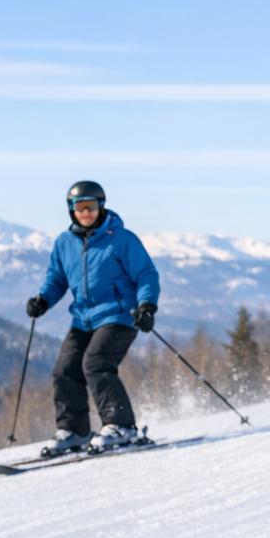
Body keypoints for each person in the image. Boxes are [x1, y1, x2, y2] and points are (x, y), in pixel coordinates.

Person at [25, 180, 161, 455]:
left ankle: (121, 426)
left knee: (96, 363)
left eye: (91, 206)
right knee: (65, 370)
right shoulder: (64, 242)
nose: (86, 213)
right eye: (80, 207)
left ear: (101, 206)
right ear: (71, 210)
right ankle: (74, 431)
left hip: (120, 315)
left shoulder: (121, 239)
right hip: (83, 319)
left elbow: (146, 273)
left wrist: (147, 306)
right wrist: (43, 300)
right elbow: (57, 278)